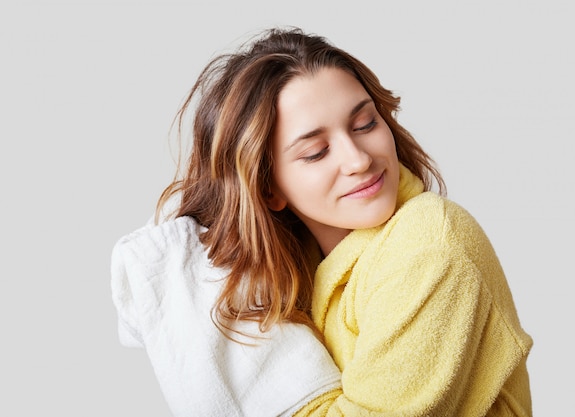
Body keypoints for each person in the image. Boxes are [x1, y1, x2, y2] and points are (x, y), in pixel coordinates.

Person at [112, 26, 533, 416]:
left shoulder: (430, 243)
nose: (359, 159)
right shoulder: (301, 273)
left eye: (366, 123)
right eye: (315, 152)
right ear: (268, 188)